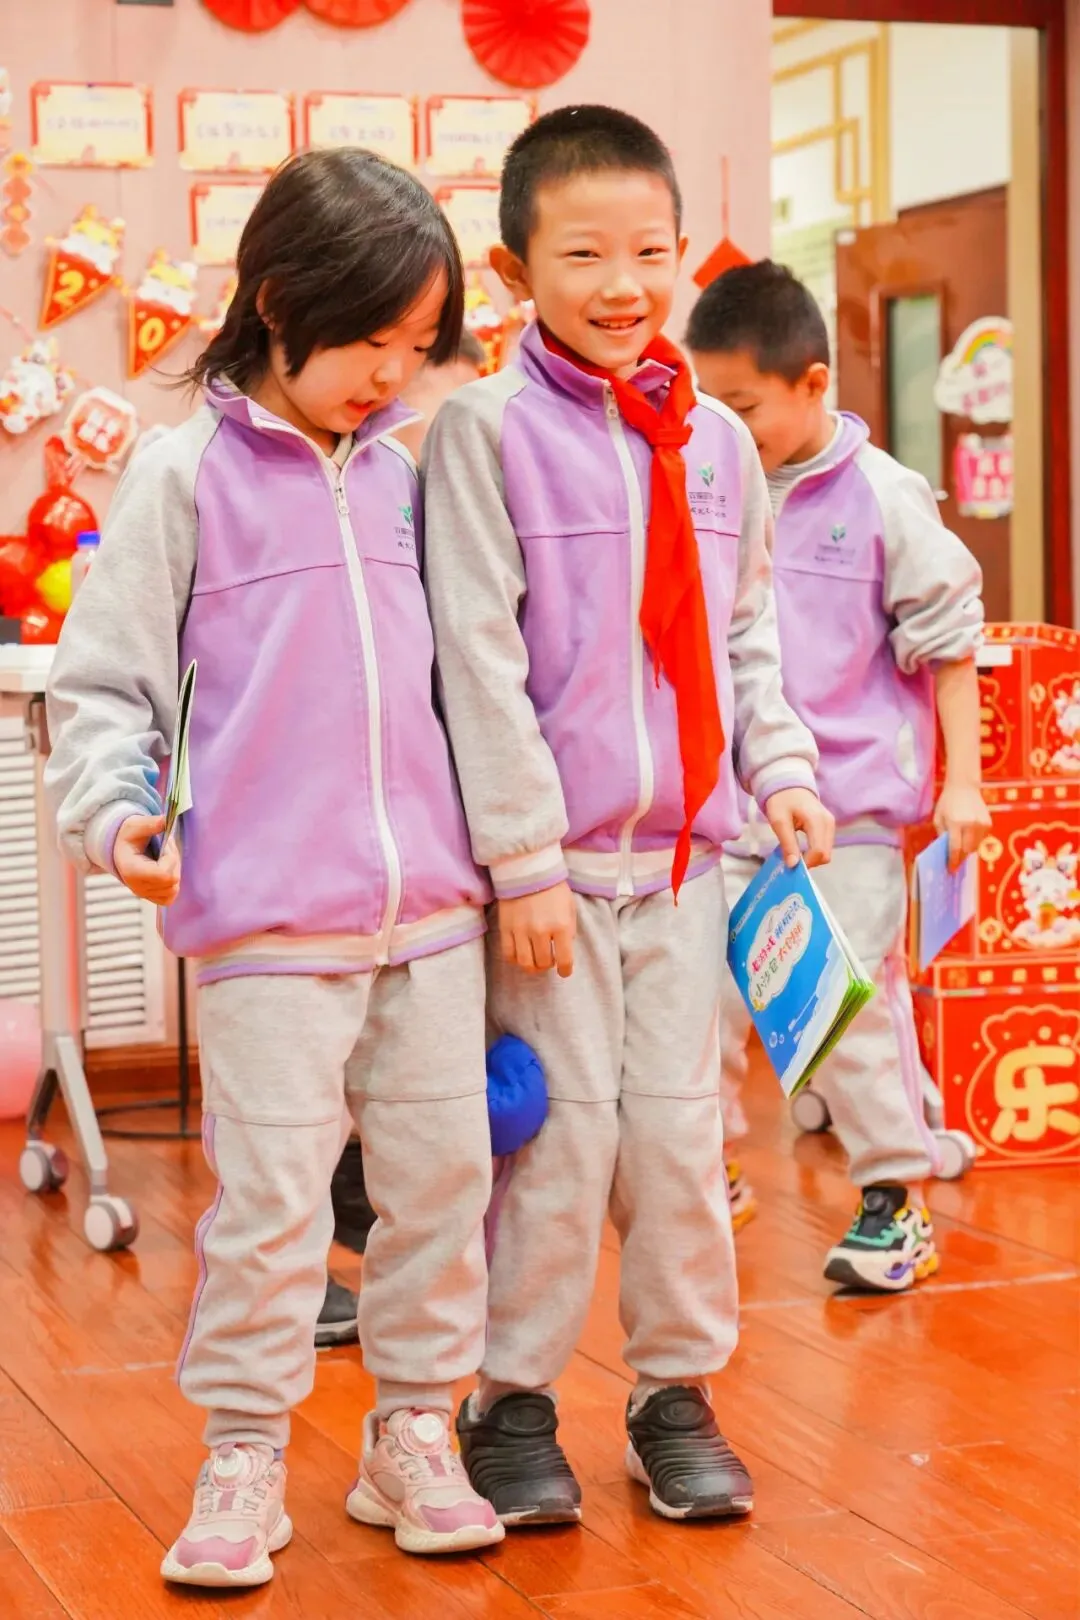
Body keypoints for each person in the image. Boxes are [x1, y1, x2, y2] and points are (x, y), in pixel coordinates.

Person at [45, 148, 505, 1588]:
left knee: (442, 1185)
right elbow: (104, 687)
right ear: (278, 303)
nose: (394, 373)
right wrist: (118, 813)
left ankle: (414, 1430)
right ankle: (243, 1447)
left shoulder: (419, 477)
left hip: (433, 912)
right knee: (274, 1204)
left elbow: (481, 675)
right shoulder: (182, 478)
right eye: (371, 340)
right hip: (263, 923)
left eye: (418, 346)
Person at [422, 106, 832, 1526]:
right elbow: (476, 656)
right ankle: (511, 1396)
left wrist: (782, 767)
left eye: (650, 252)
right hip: (553, 878)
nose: (622, 285)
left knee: (677, 1138)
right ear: (514, 268)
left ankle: (675, 1390)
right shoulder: (482, 432)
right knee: (557, 1141)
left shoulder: (717, 441)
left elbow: (745, 633)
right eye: (583, 254)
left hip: (687, 869)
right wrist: (522, 857)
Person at [686, 260, 990, 1294]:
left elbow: (950, 643)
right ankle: (709, 1171)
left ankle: (896, 1196)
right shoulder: (711, 487)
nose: (724, 428)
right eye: (708, 405)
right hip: (732, 809)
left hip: (849, 815)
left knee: (852, 1008)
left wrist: (962, 784)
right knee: (701, 1004)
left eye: (742, 407)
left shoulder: (884, 496)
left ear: (814, 383)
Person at [315, 333, 487, 1349]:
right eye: (431, 424)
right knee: (299, 1108)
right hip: (318, 873)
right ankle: (310, 1262)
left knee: (437, 1117)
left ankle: (420, 1364)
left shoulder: (461, 521)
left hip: (435, 868)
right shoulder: (361, 500)